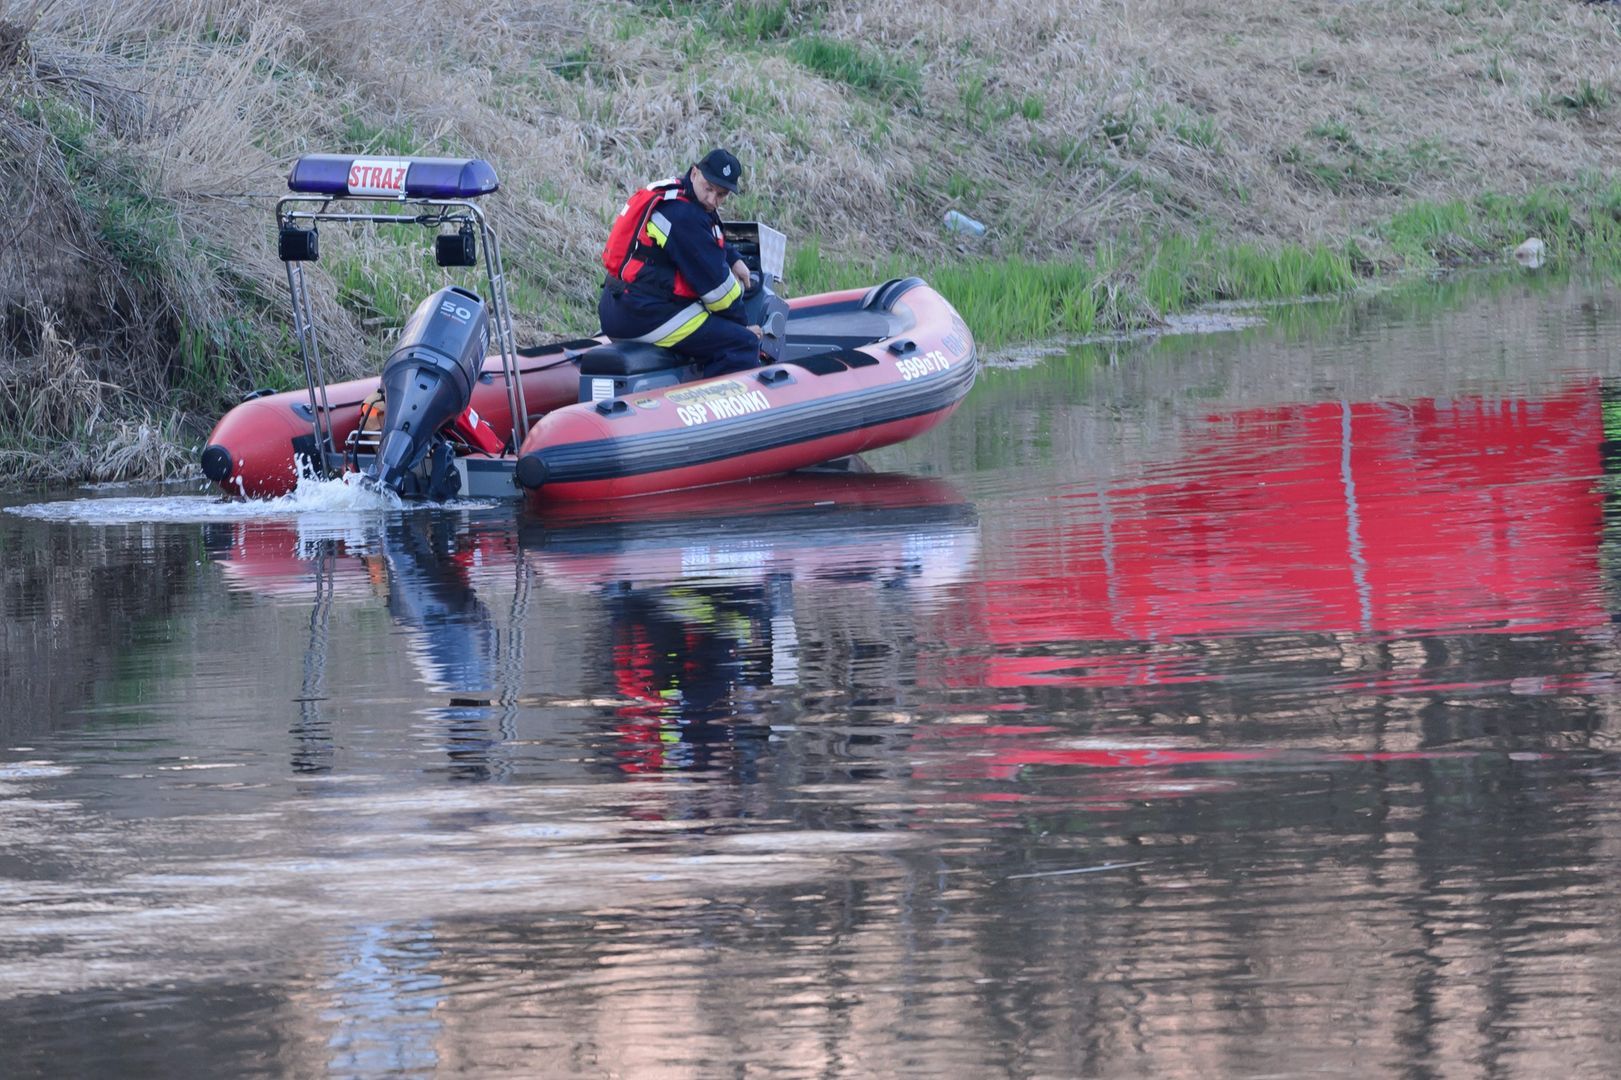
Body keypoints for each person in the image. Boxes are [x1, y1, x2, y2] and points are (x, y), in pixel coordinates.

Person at [598, 148, 762, 379]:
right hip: (644, 314)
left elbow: (702, 241)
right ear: (695, 173)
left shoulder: (676, 195)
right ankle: (710, 412)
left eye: (722, 194)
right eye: (709, 188)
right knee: (740, 345)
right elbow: (719, 295)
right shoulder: (684, 215)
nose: (713, 200)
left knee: (718, 329)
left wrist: (733, 258)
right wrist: (742, 327)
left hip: (620, 304)